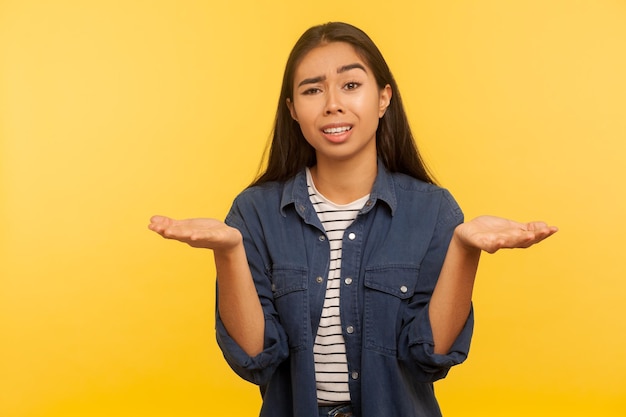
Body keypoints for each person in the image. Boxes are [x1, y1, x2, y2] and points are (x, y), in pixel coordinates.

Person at [148, 22, 557, 417]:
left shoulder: (434, 211)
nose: (332, 104)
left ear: (383, 98)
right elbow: (256, 357)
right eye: (312, 90)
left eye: (351, 85)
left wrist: (465, 250)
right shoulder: (254, 213)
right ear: (292, 110)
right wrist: (229, 252)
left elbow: (429, 357)